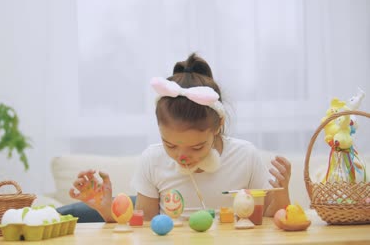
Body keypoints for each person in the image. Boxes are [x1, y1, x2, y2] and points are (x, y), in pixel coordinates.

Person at [68, 53, 291, 222]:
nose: (182, 156)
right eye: (170, 145)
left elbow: (270, 222)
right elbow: (143, 224)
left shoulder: (245, 156)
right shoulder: (152, 160)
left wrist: (282, 193)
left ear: (217, 126)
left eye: (197, 147)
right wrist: (107, 209)